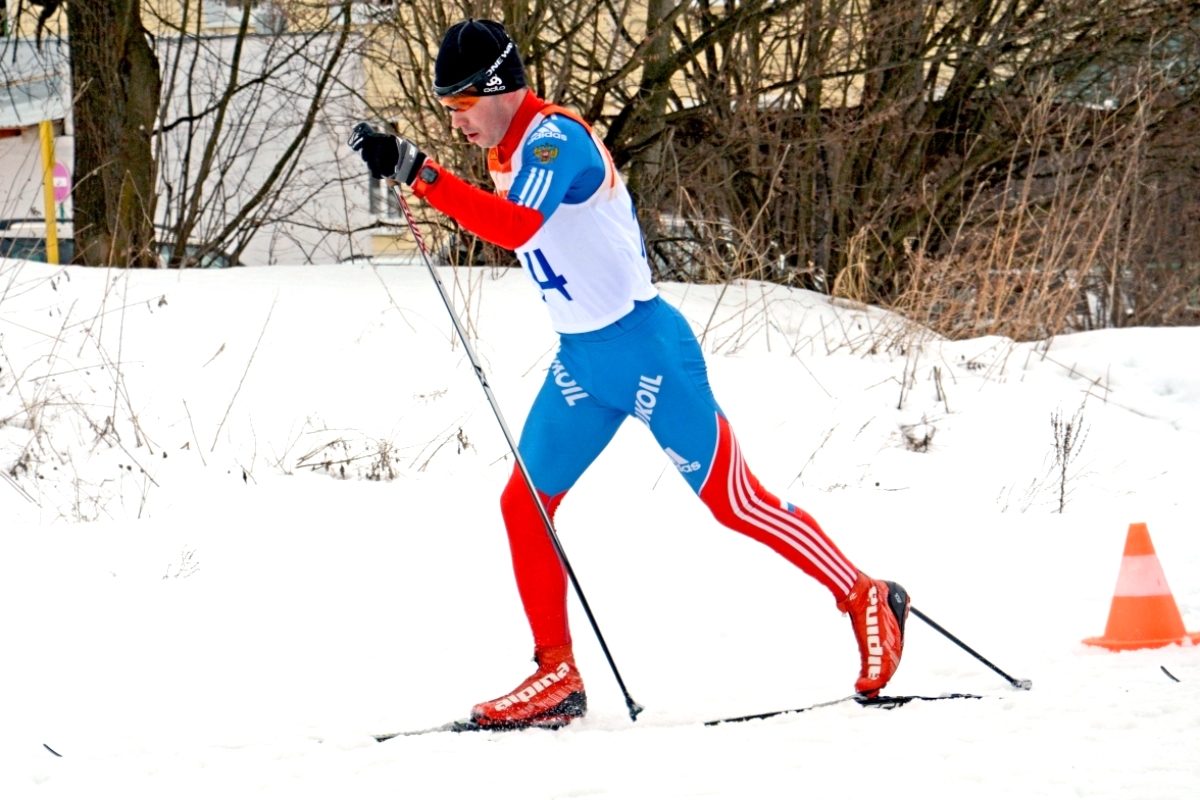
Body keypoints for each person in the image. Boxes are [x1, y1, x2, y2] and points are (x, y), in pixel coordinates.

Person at [351, 18, 909, 730]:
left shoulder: (556, 138)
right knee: (524, 506)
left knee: (736, 503)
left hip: (648, 353)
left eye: (461, 106)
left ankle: (864, 594)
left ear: (497, 91)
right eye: (447, 112)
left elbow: (518, 227)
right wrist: (412, 166)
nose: (456, 123)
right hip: (583, 363)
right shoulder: (505, 149)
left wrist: (419, 172)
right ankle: (556, 672)